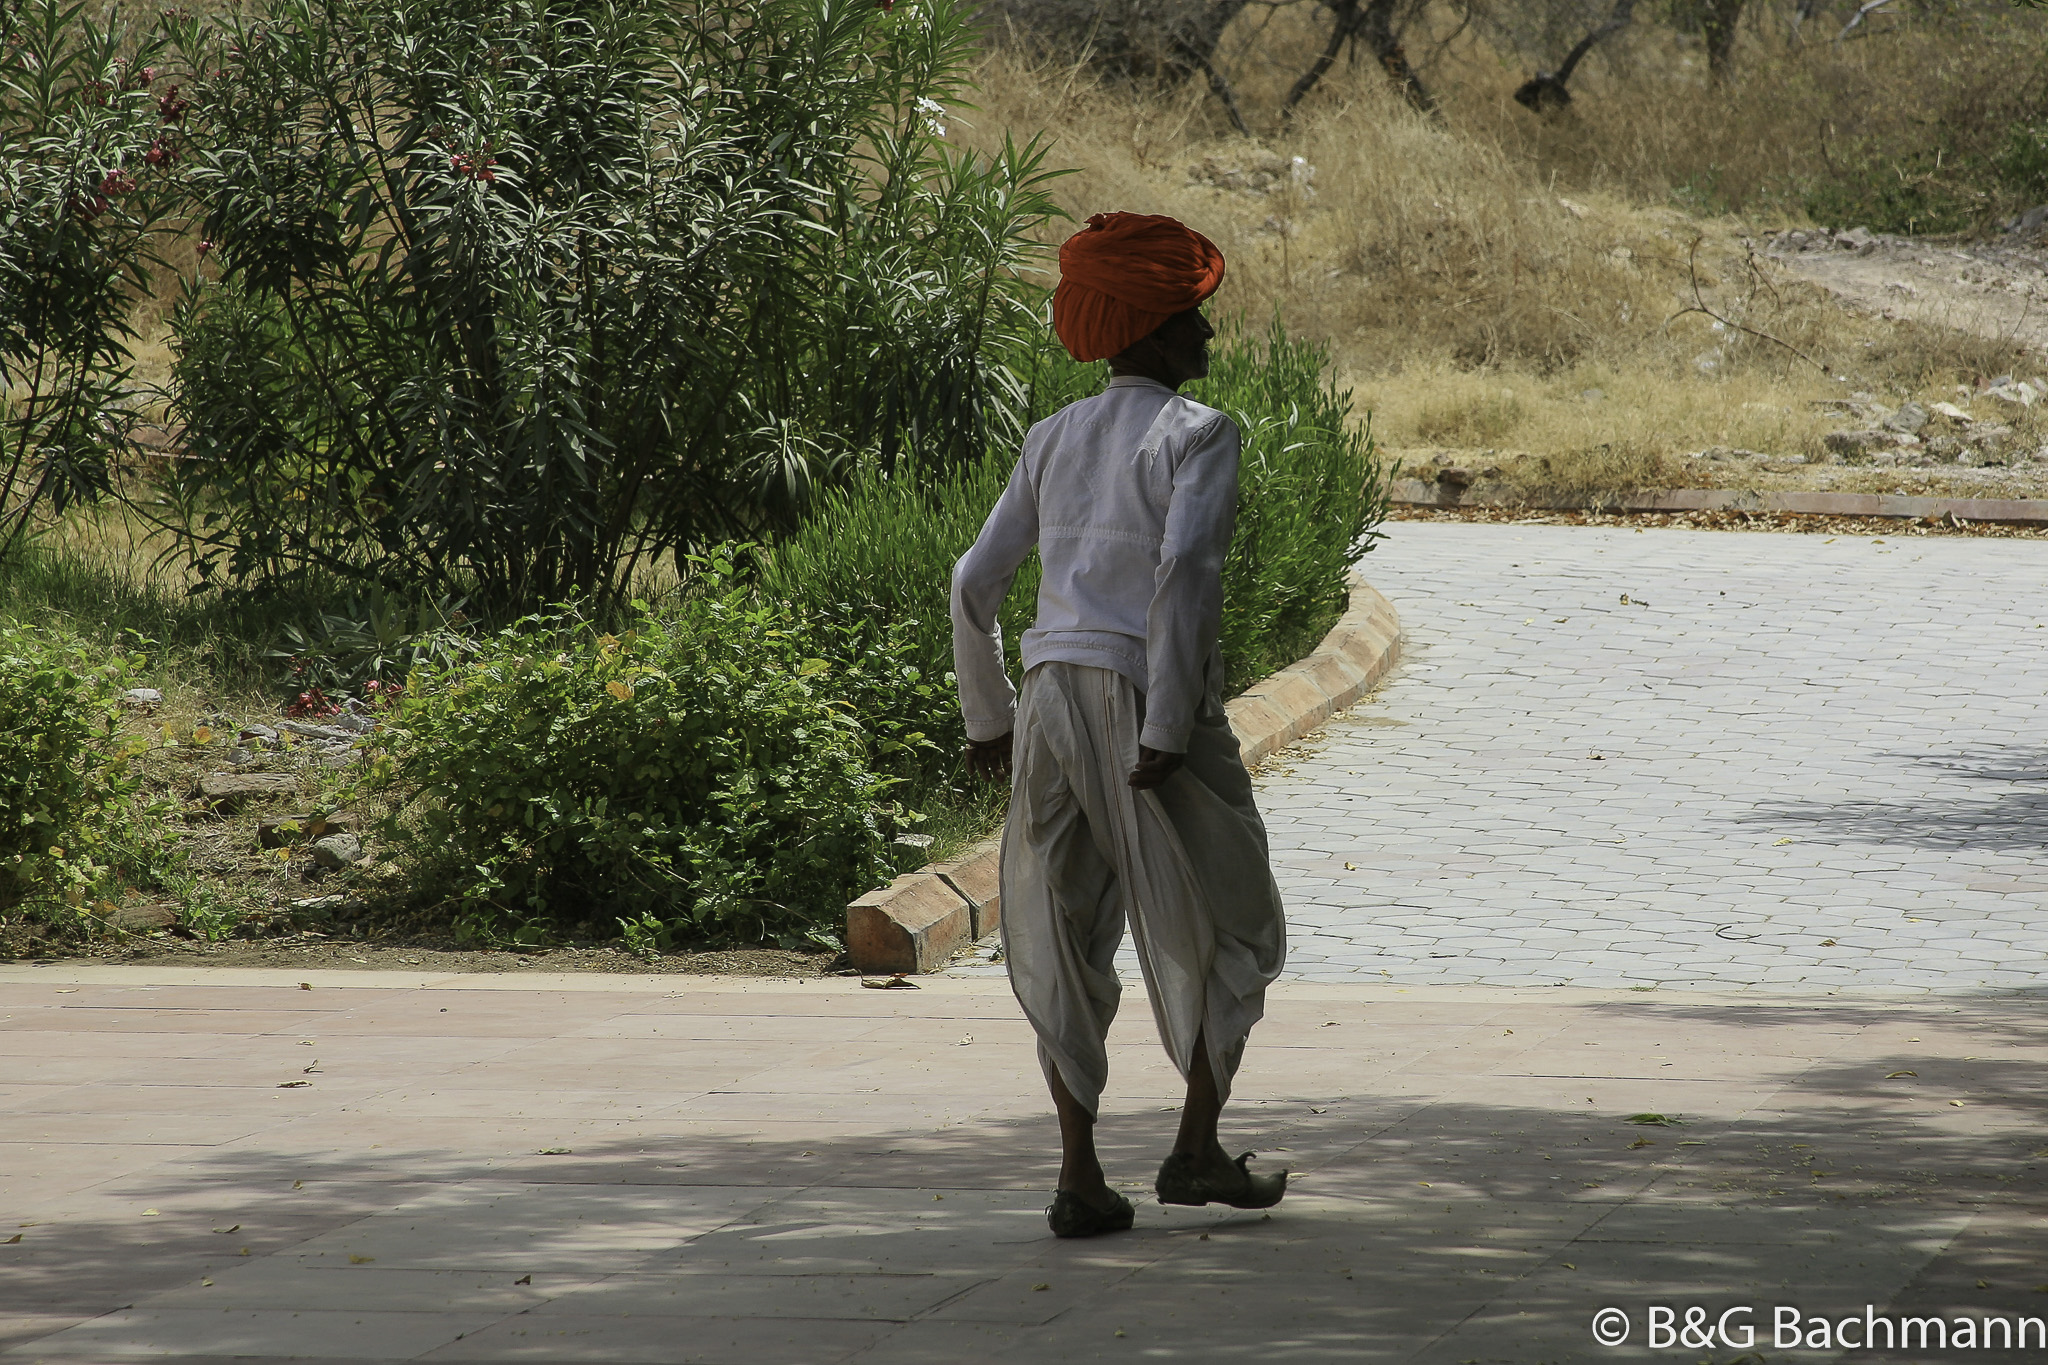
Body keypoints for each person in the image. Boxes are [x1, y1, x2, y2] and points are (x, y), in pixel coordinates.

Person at [950, 211, 1289, 1239]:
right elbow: (1184, 572)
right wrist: (1167, 726)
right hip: (1146, 695)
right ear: (1145, 330)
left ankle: (1079, 1176)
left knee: (1058, 921)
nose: (1207, 338)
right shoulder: (1199, 435)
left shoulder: (1053, 436)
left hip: (1049, 694)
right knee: (1235, 921)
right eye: (1191, 317)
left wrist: (989, 716)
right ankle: (1192, 1150)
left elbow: (975, 578)